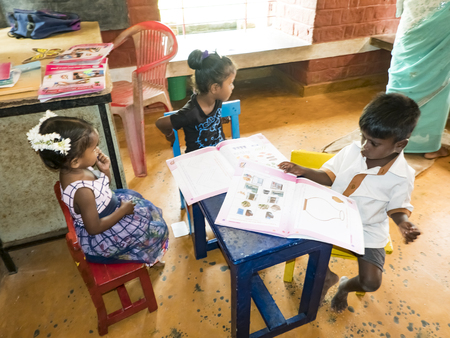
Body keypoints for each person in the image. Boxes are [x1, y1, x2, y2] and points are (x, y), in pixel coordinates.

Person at [278, 93, 422, 312]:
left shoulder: (403, 175)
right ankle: (326, 277)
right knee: (295, 233)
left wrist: (402, 222)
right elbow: (329, 175)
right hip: (331, 217)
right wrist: (303, 171)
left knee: (371, 282)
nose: (364, 146)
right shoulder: (352, 151)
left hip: (368, 229)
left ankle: (345, 285)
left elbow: (397, 207)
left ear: (399, 145)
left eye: (373, 143)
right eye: (363, 137)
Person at [27, 111, 169, 265]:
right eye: (94, 148)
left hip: (110, 210)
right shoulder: (82, 191)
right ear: (75, 161)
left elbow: (102, 187)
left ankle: (149, 255)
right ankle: (147, 257)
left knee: (144, 218)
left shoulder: (75, 170)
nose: (97, 150)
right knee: (149, 231)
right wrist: (122, 211)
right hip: (107, 230)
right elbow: (94, 228)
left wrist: (105, 170)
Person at [386, 0, 450, 159]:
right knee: (437, 77)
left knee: (404, 74)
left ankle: (387, 135)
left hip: (415, 13)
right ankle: (429, 146)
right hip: (440, 12)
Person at [155, 49, 236, 153]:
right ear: (215, 88)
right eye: (230, 83)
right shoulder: (190, 113)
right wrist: (170, 136)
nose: (233, 87)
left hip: (218, 152)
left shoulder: (217, 100)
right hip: (197, 159)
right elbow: (160, 123)